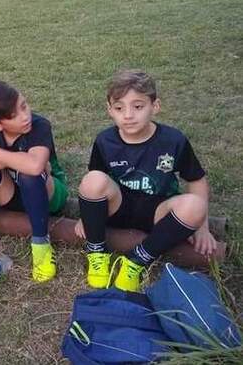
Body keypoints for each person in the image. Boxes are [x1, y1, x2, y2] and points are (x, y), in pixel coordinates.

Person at [75, 70, 216, 291]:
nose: (128, 115)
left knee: (195, 206)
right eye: (119, 108)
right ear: (109, 110)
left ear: (155, 106)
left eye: (138, 106)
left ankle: (137, 260)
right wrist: (88, 218)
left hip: (158, 213)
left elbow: (196, 179)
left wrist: (203, 227)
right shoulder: (105, 140)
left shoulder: (173, 140)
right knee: (92, 179)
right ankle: (96, 251)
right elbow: (96, 182)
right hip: (118, 208)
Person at [0, 81, 68, 283]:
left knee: (29, 174)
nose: (25, 116)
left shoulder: (39, 125)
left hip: (48, 194)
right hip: (10, 194)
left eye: (24, 105)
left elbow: (35, 167)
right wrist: (18, 159)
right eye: (14, 115)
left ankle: (41, 245)